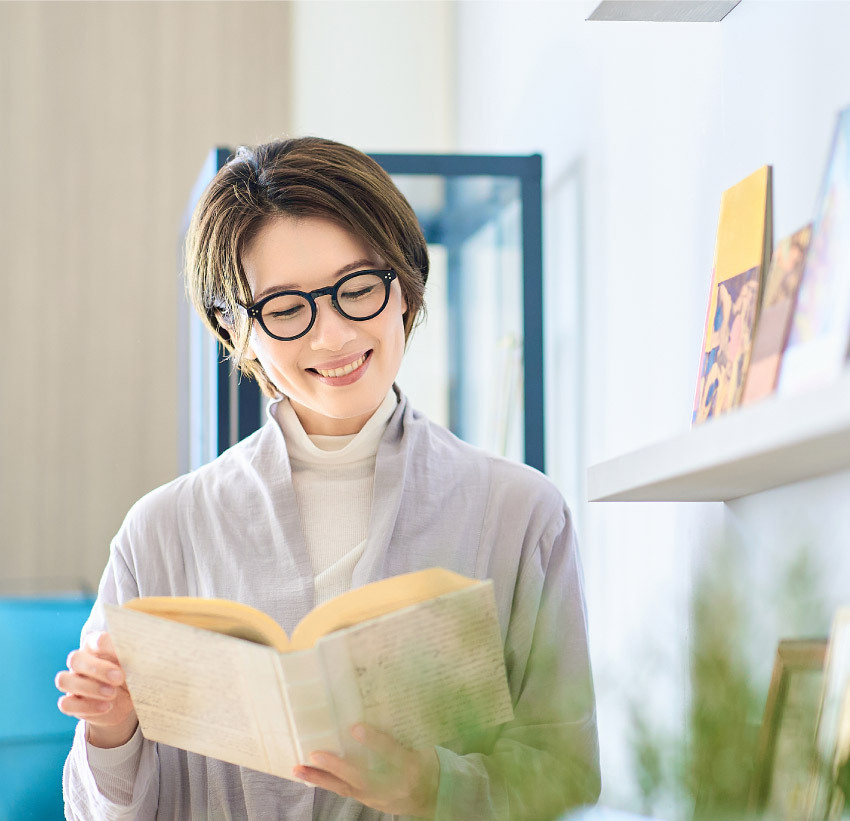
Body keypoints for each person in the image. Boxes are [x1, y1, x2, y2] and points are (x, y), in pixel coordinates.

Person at [57, 137, 600, 820]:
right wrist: (112, 729)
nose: (334, 336)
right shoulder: (160, 531)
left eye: (359, 287)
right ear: (236, 330)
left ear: (404, 283)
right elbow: (94, 808)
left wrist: (430, 786)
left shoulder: (520, 512)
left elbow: (568, 780)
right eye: (286, 308)